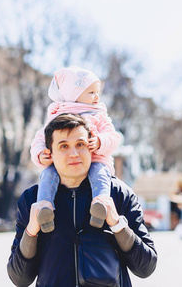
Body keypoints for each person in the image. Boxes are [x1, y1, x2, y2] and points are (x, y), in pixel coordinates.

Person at [8, 113, 157, 286]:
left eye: (80, 144)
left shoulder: (119, 194)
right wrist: (31, 231)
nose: (74, 154)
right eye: (63, 146)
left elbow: (146, 267)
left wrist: (117, 224)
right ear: (50, 153)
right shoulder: (33, 199)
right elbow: (19, 278)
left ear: (91, 148)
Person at [30, 66, 120, 233]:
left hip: (97, 160)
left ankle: (100, 203)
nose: (97, 96)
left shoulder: (98, 114)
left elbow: (114, 137)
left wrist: (100, 141)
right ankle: (44, 207)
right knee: (47, 174)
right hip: (62, 167)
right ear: (74, 94)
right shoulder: (58, 116)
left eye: (97, 91)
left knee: (99, 174)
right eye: (91, 92)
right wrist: (40, 154)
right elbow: (39, 139)